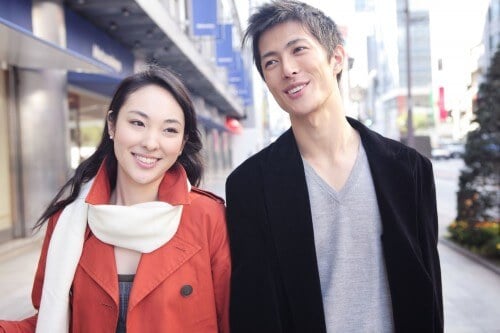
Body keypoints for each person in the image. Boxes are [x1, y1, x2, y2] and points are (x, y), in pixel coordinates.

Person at [225, 1, 443, 332]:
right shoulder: (249, 187)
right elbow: (256, 311)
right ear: (266, 81)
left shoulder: (408, 170)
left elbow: (428, 295)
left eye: (298, 49)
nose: (288, 69)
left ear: (336, 58)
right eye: (271, 62)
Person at [0, 66, 230, 333]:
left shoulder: (209, 218)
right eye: (137, 123)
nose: (151, 142)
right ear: (112, 125)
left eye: (169, 130)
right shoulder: (68, 221)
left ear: (181, 143)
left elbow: (231, 318)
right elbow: (51, 321)